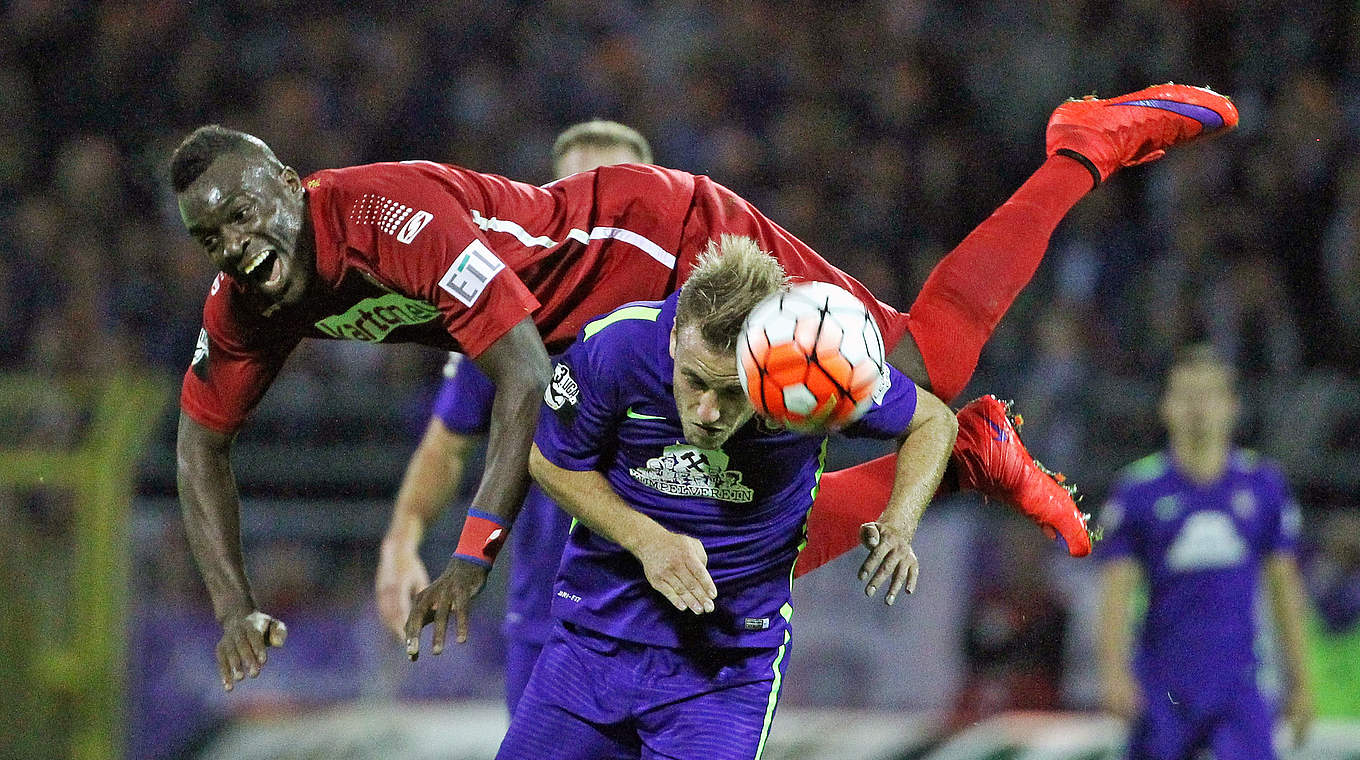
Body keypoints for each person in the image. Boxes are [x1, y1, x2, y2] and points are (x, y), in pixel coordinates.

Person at [170, 83, 1237, 690]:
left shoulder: (386, 221)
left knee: (916, 368)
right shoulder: (249, 301)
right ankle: (959, 457)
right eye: (209, 234)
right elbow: (199, 440)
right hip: (606, 348)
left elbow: (522, 372)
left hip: (656, 243)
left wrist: (464, 557)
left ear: (287, 180)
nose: (235, 241)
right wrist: (230, 602)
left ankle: (1079, 149)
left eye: (243, 210)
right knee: (729, 551)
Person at [500, 236, 955, 759]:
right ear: (673, 339)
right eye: (694, 381)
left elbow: (932, 421)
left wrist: (899, 524)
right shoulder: (616, 346)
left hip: (725, 671)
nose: (708, 411)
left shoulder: (807, 366)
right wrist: (649, 541)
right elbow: (551, 461)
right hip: (592, 643)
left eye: (734, 390)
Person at [376, 120, 655, 713]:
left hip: (671, 614)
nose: (597, 217)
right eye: (576, 194)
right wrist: (401, 541)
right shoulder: (508, 316)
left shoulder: (693, 320)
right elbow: (445, 447)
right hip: (548, 619)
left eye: (617, 195)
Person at [1095, 345, 1314, 760]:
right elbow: (1116, 590)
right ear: (1166, 407)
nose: (1198, 407)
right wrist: (1113, 673)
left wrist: (1300, 681)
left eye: (1209, 395)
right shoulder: (1138, 490)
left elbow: (1285, 586)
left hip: (1238, 681)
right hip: (1163, 684)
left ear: (1232, 407)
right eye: (1186, 395)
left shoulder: (1263, 485)